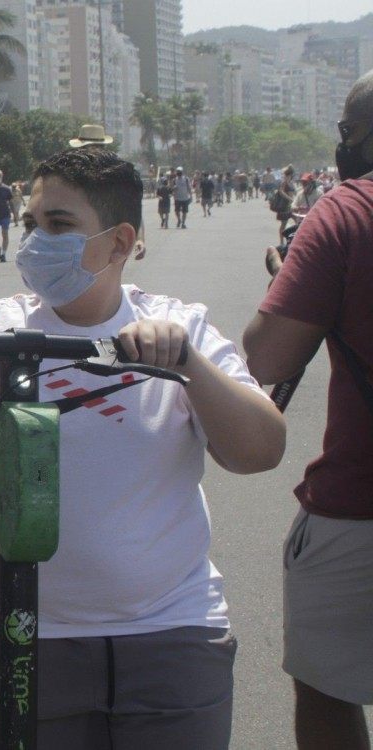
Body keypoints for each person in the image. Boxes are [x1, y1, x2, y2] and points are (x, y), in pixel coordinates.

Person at [0, 145, 285, 750]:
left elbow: (260, 449)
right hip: (24, 634)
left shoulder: (183, 327)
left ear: (120, 242)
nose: (37, 242)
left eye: (60, 226)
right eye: (31, 225)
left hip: (172, 633)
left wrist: (187, 364)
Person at [243, 69, 373, 750]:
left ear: (356, 137)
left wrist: (295, 278)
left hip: (359, 509)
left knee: (327, 689)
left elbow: (265, 359)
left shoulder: (346, 211)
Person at [274, 166, 297, 242]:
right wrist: (290, 199)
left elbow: (294, 192)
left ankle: (295, 238)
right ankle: (281, 241)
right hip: (285, 206)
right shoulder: (284, 182)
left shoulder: (290, 182)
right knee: (284, 224)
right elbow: (281, 192)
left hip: (291, 205)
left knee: (298, 221)